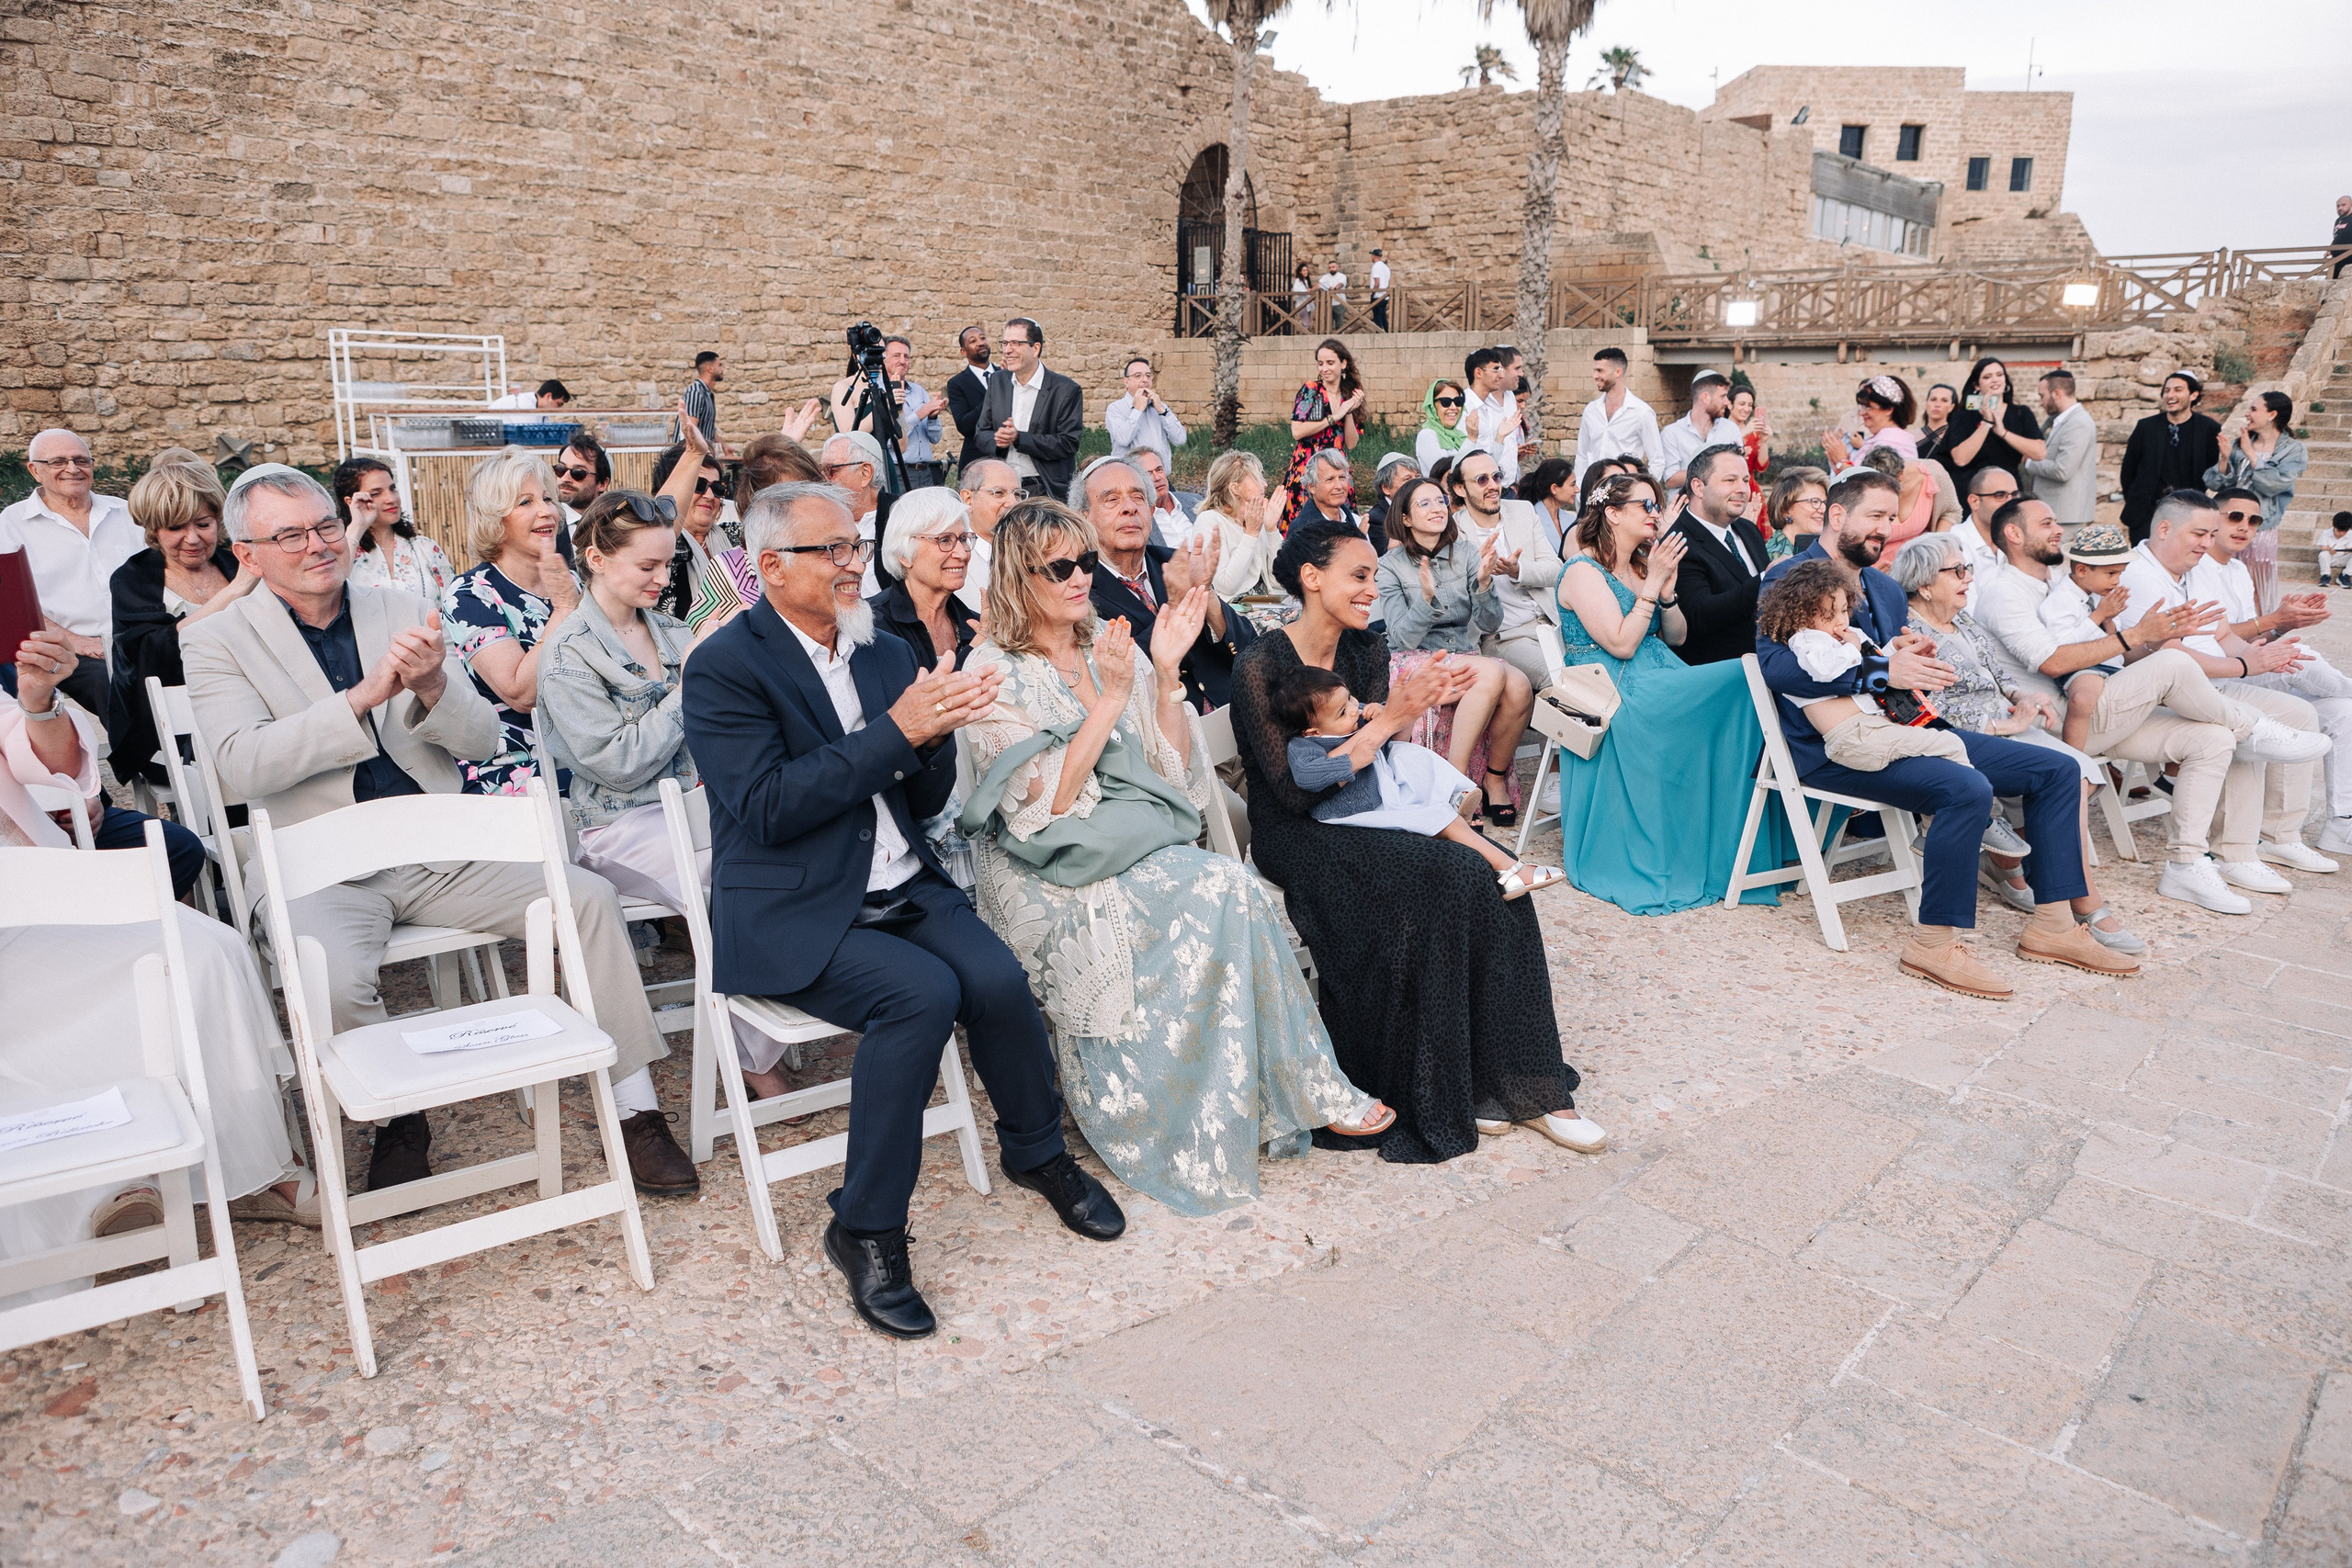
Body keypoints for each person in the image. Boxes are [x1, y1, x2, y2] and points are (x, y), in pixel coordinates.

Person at [681, 479, 1126, 1339]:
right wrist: (898, 730)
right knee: (920, 995)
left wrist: (937, 730)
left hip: (900, 881)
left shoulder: (882, 649)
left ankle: (1039, 1155)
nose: (856, 564)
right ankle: (867, 1226)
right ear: (771, 567)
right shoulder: (724, 667)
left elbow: (919, 802)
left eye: (857, 546)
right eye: (836, 551)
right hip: (794, 906)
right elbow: (768, 806)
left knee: (997, 977)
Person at [183, 466, 694, 1196]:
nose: (318, 544)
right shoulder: (218, 641)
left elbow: (484, 737)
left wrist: (429, 688)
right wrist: (362, 699)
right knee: (323, 969)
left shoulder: (401, 604)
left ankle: (637, 1110)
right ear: (248, 554)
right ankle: (400, 1116)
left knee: (586, 900)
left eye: (326, 525)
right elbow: (241, 765)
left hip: (440, 846)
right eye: (289, 534)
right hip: (319, 861)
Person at [956, 500, 1395, 1213]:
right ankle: (1201, 1100)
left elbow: (1166, 772)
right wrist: (1108, 701)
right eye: (1060, 566)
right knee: (1220, 890)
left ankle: (1286, 1087)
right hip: (1050, 868)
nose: (1079, 578)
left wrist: (1161, 675)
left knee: (1231, 887)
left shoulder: (1109, 644)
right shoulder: (994, 671)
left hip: (1131, 837)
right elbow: (1043, 806)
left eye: (1086, 563)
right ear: (1015, 577)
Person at [1230, 521, 1606, 1160]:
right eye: (1359, 575)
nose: (1372, 588)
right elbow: (1295, 792)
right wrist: (1396, 719)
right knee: (1449, 873)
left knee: (1494, 873)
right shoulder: (1259, 664)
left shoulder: (1365, 652)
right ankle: (1450, 1085)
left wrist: (1407, 726)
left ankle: (1524, 1083)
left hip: (1370, 811)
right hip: (1299, 833)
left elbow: (1378, 764)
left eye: (1375, 575)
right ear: (1311, 578)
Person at [1758, 469, 2117, 997]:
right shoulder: (1787, 577)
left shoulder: (1882, 586)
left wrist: (1907, 659)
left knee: (2057, 769)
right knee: (1965, 787)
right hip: (1835, 746)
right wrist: (1880, 673)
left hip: (1906, 727)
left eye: (1893, 517)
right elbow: (1777, 669)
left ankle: (2055, 925)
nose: (1889, 527)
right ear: (1837, 515)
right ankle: (1933, 943)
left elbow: (1885, 664)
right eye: (1876, 516)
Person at [1890, 529, 2147, 961]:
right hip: (1966, 739)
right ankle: (2072, 904)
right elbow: (1931, 710)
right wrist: (2001, 725)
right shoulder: (1911, 635)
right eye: (1956, 570)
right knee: (2071, 774)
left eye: (1967, 567)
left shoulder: (1962, 620)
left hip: (2006, 724)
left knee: (2077, 771)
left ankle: (2044, 898)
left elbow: (1997, 676)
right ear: (1924, 584)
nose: (1968, 577)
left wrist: (2020, 698)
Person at [1550, 468, 1791, 914]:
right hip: (1614, 687)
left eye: (1655, 505)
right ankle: (1714, 849)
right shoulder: (1581, 570)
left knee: (1750, 680)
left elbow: (1675, 636)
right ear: (1613, 514)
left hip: (1660, 671)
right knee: (1744, 677)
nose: (1655, 514)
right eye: (1645, 505)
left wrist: (1668, 591)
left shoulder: (1643, 565)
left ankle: (1731, 847)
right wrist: (1655, 582)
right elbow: (1621, 643)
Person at [2116, 491, 2330, 890]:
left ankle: (2278, 837)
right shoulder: (2139, 574)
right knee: (2248, 729)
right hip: (2161, 692)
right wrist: (2246, 665)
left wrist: (2262, 653)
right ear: (2164, 529)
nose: (2206, 542)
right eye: (2200, 533)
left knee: (2301, 713)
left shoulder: (2188, 569)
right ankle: (2232, 851)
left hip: (2211, 682)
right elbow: (2170, 656)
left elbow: (2222, 634)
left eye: (2209, 534)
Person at [1276, 663, 1561, 895]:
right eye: (1342, 711)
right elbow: (1306, 775)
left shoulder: (1354, 716)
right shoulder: (1304, 746)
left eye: (1350, 699)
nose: (1354, 709)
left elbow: (1394, 730)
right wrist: (1349, 762)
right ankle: (1512, 871)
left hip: (1384, 788)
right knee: (1439, 818)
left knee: (1406, 752)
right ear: (1312, 731)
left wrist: (1387, 713)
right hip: (1352, 810)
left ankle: (1454, 793)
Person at [2195, 490, 2352, 854]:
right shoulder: (2196, 566)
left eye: (2254, 521)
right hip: (2218, 672)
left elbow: (2251, 634)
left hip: (2247, 664)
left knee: (2343, 711)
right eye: (2234, 517)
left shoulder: (2238, 570)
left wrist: (2282, 625)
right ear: (2211, 519)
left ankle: (2339, 824)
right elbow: (2213, 638)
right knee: (2302, 658)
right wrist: (2273, 623)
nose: (2244, 527)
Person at [1376, 475, 1534, 826]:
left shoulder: (1464, 554)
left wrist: (1482, 583)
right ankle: (1456, 785)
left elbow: (1491, 623)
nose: (1437, 508)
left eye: (1440, 501)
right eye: (1425, 503)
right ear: (1405, 518)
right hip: (1415, 659)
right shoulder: (1390, 566)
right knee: (1491, 671)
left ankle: (1493, 778)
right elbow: (1402, 638)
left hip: (1463, 655)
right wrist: (1427, 600)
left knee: (1520, 684)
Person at [9, 618, 205, 897]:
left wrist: (85, 797)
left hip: (49, 816)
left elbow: (19, 732)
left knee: (175, 847)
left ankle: (154, 933)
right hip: (19, 842)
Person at [106, 454, 254, 785]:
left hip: (247, 710)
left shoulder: (235, 565)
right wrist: (234, 593)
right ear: (154, 531)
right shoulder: (132, 579)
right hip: (165, 732)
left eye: (203, 524)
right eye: (176, 528)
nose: (193, 538)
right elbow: (152, 653)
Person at [441, 450, 580, 796]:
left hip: (585, 757)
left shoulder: (571, 582)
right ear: (494, 519)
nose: (546, 510)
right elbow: (520, 692)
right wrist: (563, 609)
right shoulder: (472, 595)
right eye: (525, 502)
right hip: (516, 771)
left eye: (547, 498)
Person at [1073, 456, 1256, 711]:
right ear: (1085, 519)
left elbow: (1250, 649)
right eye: (1111, 499)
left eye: (1138, 497)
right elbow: (1110, 674)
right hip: (1162, 727)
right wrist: (1176, 606)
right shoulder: (1079, 587)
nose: (1129, 508)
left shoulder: (1174, 562)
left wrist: (1207, 595)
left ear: (1150, 512)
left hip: (1233, 710)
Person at [1759, 561, 1971, 772]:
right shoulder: (1807, 640)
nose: (1840, 621)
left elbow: (1869, 660)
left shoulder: (1843, 634)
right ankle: (1972, 793)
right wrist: (1852, 647)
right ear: (1801, 617)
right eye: (1829, 614)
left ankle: (1967, 790)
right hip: (1853, 737)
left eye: (1843, 611)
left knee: (1946, 749)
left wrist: (1894, 649)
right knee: (1949, 745)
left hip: (1875, 726)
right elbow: (1824, 669)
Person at [0, 428, 140, 722]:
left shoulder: (126, 512)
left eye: (81, 460)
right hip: (67, 650)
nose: (72, 469)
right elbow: (14, 605)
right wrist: (78, 642)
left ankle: (188, 757)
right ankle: (147, 766)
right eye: (58, 462)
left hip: (138, 638)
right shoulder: (11, 524)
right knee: (110, 686)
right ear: (35, 470)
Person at [1449, 448, 1565, 692]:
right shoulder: (1453, 533)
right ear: (1460, 489)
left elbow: (1556, 570)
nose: (1493, 485)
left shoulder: (1522, 511)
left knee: (1598, 671)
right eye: (1482, 479)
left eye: (1497, 477)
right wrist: (1476, 571)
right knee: (1558, 678)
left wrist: (1518, 571)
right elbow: (1452, 597)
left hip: (1551, 622)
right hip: (1504, 637)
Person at [2204, 390, 2307, 615]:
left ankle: (2256, 632)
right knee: (2219, 576)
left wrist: (2252, 457)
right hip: (2228, 522)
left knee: (2255, 586)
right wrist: (2224, 459)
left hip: (2260, 527)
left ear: (2271, 414)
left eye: (2253, 409)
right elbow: (2215, 483)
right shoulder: (2239, 443)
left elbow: (2274, 485)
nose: (2247, 414)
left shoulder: (2294, 450)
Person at [1667, 445, 1766, 666]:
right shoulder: (1678, 542)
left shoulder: (1748, 531)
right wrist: (1766, 579)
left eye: (1745, 480)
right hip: (1721, 672)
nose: (1742, 489)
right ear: (1698, 487)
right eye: (1730, 481)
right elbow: (1699, 615)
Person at [869, 487, 978, 675]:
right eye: (944, 540)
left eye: (963, 539)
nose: (961, 554)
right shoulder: (874, 627)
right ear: (904, 554)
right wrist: (974, 650)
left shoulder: (975, 625)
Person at [974, 317, 1083, 501]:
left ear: (1036, 348)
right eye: (1005, 343)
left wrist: (1019, 438)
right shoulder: (997, 381)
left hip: (1045, 488)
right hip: (1003, 487)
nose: (1007, 350)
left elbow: (1068, 443)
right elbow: (980, 433)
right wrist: (999, 440)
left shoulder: (1065, 389)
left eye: (1016, 343)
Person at [831, 336, 946, 491]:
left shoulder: (895, 390)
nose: (877, 359)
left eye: (880, 353)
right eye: (873, 353)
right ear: (857, 355)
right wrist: (884, 404)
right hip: (859, 468)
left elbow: (901, 445)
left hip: (889, 467)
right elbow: (849, 435)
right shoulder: (846, 387)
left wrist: (897, 409)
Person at [2120, 373, 2222, 545]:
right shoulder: (2146, 427)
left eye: (2177, 390)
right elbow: (2128, 471)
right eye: (2166, 390)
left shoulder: (2209, 429)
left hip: (2189, 512)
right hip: (2146, 513)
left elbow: (2211, 471)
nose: (2170, 395)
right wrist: (2136, 499)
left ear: (2193, 395)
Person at [341, 456, 457, 602]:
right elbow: (333, 587)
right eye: (376, 493)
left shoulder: (425, 548)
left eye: (392, 489)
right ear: (351, 502)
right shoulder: (345, 555)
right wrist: (357, 526)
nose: (391, 499)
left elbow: (454, 604)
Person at [1939, 356, 2049, 499]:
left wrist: (2003, 433)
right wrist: (1986, 423)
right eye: (1987, 377)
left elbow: (2039, 453)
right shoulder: (1962, 417)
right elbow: (1961, 458)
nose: (1995, 380)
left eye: (1999, 375)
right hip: (1971, 492)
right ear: (1977, 385)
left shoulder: (2021, 413)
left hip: (2008, 491)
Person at [1283, 338, 1365, 525]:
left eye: (1330, 363)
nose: (1324, 368)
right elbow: (1297, 431)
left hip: (1337, 466)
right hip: (1308, 464)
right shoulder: (1311, 390)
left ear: (1343, 364)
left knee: (1341, 524)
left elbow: (1351, 443)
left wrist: (1349, 411)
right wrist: (1335, 416)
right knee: (1304, 522)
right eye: (1320, 363)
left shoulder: (1350, 395)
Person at [1197, 450, 1283, 600]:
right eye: (1257, 479)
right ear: (1235, 488)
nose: (1265, 484)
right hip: (1233, 609)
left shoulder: (1255, 518)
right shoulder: (1210, 521)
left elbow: (1279, 581)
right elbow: (1226, 585)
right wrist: (1251, 535)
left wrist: (1271, 529)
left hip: (1266, 602)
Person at [1572, 347, 1662, 486]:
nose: (1595, 376)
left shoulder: (1642, 412)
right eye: (1594, 370)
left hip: (1623, 491)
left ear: (1618, 372)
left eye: (1600, 370)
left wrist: (1642, 490)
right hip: (1591, 489)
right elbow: (1582, 455)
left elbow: (1657, 460)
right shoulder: (1590, 410)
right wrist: (1579, 489)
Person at [2019, 370, 2098, 528]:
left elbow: (2062, 470)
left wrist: (2029, 462)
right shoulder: (2061, 420)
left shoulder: (2078, 422)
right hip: (2056, 513)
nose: (2041, 402)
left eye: (2042, 396)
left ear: (2056, 393)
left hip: (2065, 516)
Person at [819, 432, 894, 595]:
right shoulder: (820, 519)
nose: (824, 479)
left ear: (865, 473)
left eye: (831, 470)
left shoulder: (901, 516)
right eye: (821, 471)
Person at [954, 457, 1020, 615]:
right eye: (999, 493)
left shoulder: (1034, 550)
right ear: (968, 499)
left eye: (1017, 494)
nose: (1012, 503)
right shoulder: (951, 556)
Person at [1105, 355, 1189, 478]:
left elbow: (1180, 440)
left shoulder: (1160, 407)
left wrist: (1162, 411)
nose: (1145, 380)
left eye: (1148, 376)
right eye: (1138, 376)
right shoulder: (1115, 409)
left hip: (1161, 478)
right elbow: (1123, 438)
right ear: (1126, 382)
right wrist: (1137, 410)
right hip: (1132, 481)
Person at [1658, 371, 1742, 491]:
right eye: (1722, 396)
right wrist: (1714, 471)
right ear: (1705, 397)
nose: (1727, 402)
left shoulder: (1731, 429)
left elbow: (1738, 471)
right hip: (1684, 507)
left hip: (1720, 507)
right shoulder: (1672, 432)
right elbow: (1671, 479)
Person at [1461, 346, 1524, 490]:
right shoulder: (1463, 406)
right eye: (1496, 370)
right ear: (1478, 373)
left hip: (1501, 485)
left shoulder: (1488, 405)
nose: (1501, 376)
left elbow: (1490, 453)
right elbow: (1461, 456)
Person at [1823, 375, 1918, 468]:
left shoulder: (1888, 442)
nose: (1862, 413)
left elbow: (1869, 482)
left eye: (1868, 407)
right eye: (1862, 406)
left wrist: (1841, 460)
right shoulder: (1890, 438)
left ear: (1888, 409)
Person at [944, 324, 995, 475]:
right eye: (973, 341)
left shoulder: (1007, 375)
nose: (980, 343)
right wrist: (992, 393)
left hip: (1009, 457)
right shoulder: (957, 383)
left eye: (983, 338)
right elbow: (964, 425)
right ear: (963, 351)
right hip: (977, 459)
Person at [1132, 446, 1196, 550]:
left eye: (1159, 470)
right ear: (1136, 480)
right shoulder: (1139, 520)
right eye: (1148, 474)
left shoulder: (1195, 501)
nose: (1157, 478)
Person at [1763, 466, 1829, 564]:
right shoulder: (1778, 558)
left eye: (1825, 502)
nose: (1823, 509)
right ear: (1786, 509)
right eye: (1814, 502)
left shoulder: (1818, 548)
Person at [1366, 451, 1419, 556]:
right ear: (1386, 488)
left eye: (1417, 477)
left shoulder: (1425, 508)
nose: (1416, 484)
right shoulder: (1376, 519)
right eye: (1407, 479)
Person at [1417, 377, 1469, 475]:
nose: (1454, 407)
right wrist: (1472, 439)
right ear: (1432, 406)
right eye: (1446, 402)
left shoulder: (1459, 436)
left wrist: (1499, 438)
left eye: (1458, 401)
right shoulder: (1427, 435)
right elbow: (1448, 475)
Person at [682, 350, 724, 451]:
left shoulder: (708, 394)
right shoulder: (695, 392)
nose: (722, 369)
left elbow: (707, 428)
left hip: (703, 454)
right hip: (693, 455)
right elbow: (691, 428)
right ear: (710, 368)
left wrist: (724, 446)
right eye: (720, 365)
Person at [1916, 383, 1959, 467]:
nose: (1937, 405)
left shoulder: (1955, 438)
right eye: (1933, 399)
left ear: (1951, 407)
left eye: (1944, 400)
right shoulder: (1911, 436)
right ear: (1926, 403)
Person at [2320, 512, 2352, 589]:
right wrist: (2329, 549)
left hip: (2344, 558)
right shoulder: (2326, 533)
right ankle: (2325, 575)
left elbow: (2348, 550)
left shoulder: (2350, 534)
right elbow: (2323, 547)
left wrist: (2347, 550)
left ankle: (2345, 575)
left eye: (2344, 531)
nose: (2341, 534)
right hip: (2331, 558)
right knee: (2323, 554)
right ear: (2334, 526)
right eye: (2339, 531)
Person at [1317, 256, 1349, 327]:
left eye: (1333, 267)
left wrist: (1335, 289)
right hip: (1329, 304)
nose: (1331, 269)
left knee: (1339, 324)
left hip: (1340, 303)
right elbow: (1319, 284)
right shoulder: (1325, 277)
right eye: (1330, 267)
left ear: (1337, 267)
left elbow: (1341, 284)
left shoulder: (1342, 276)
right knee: (1328, 325)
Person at [1367, 246, 1392, 330]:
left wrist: (1372, 294)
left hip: (1378, 295)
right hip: (1385, 295)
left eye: (1372, 255)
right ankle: (1387, 332)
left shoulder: (1376, 266)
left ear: (1374, 256)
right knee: (1383, 316)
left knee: (1377, 317)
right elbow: (1388, 283)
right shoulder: (1386, 267)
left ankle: (1379, 334)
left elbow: (1377, 283)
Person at [2333, 195, 2352, 279]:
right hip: (2337, 260)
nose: (2340, 208)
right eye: (2338, 206)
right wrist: (2330, 249)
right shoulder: (2338, 221)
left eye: (2343, 205)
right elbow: (2337, 237)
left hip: (2349, 259)